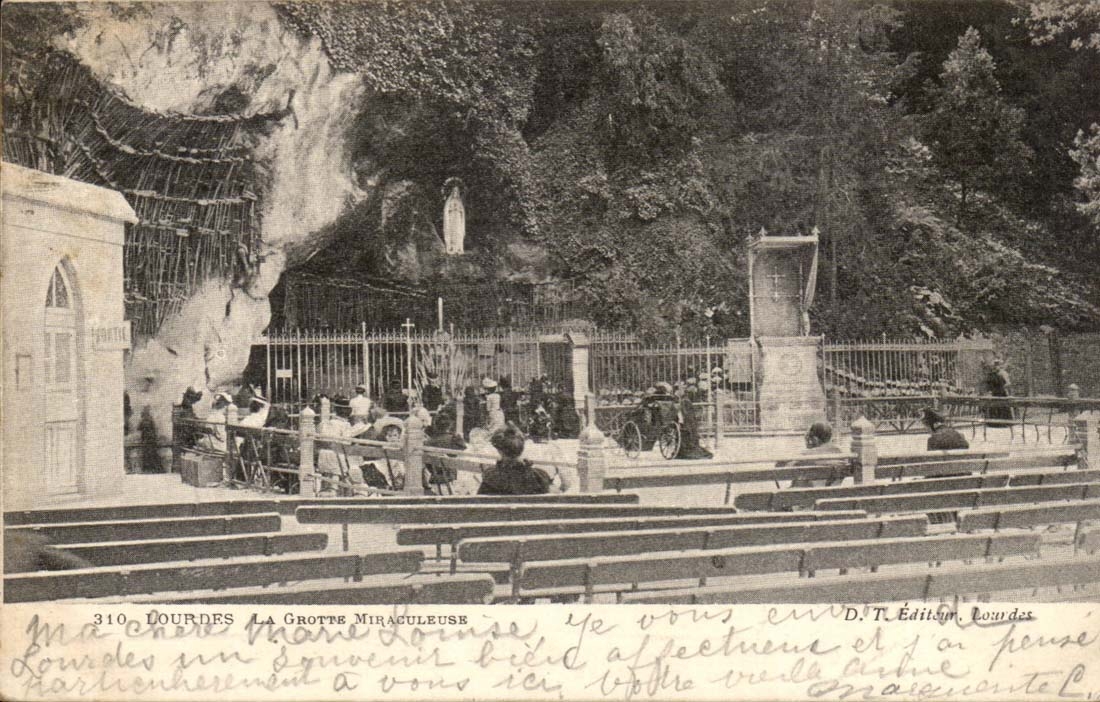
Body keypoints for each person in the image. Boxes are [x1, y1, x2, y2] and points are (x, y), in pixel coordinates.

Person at [478, 425, 552, 495]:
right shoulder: (540, 477)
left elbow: (479, 504)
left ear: (499, 450)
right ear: (522, 448)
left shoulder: (490, 478)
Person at [780, 421, 844, 488]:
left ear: (814, 439)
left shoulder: (806, 456)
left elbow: (782, 471)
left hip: (805, 496)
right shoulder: (840, 454)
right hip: (832, 495)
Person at [674, 394, 713, 460]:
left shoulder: (682, 405)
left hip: (686, 425)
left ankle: (688, 449)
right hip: (688, 425)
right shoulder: (688, 410)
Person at [985, 358, 1014, 427]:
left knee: (1003, 407)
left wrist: (1002, 387)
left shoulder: (1003, 373)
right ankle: (995, 423)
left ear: (1000, 365)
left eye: (997, 365)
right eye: (995, 365)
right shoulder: (993, 374)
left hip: (1002, 392)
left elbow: (1008, 383)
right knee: (995, 407)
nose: (996, 366)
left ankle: (1005, 422)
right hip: (996, 392)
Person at [138, 406, 163, 473]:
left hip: (146, 440)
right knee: (152, 454)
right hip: (151, 439)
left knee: (147, 455)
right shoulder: (150, 419)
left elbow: (139, 428)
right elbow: (154, 429)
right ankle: (153, 468)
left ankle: (147, 468)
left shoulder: (143, 420)